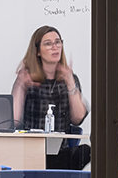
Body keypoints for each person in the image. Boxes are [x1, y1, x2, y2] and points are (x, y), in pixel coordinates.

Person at [9, 25, 91, 170]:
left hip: (60, 152)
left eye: (58, 42)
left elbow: (78, 119)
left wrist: (70, 82)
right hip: (31, 151)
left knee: (86, 151)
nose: (55, 47)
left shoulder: (70, 78)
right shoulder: (27, 78)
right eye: (48, 44)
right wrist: (20, 86)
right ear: (37, 51)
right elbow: (14, 121)